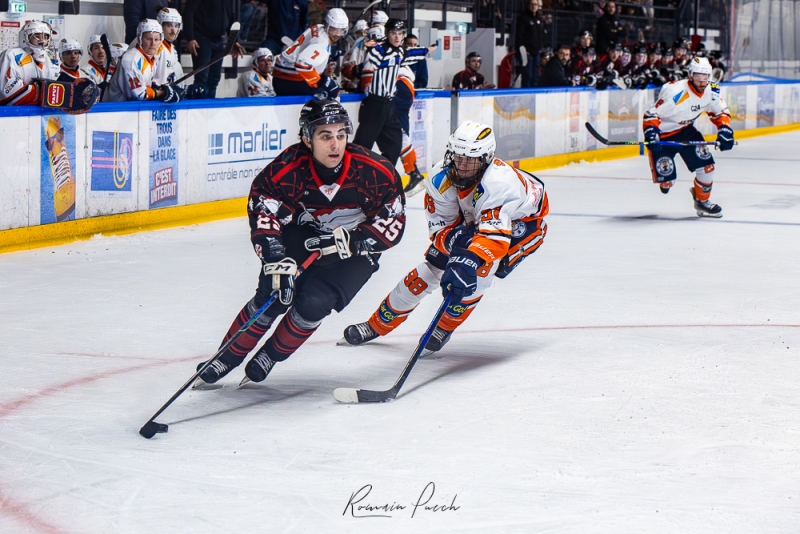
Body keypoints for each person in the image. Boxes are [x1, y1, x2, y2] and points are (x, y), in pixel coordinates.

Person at [193, 99, 406, 386]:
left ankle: (271, 354)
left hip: (354, 249)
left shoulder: (374, 171)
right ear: (307, 137)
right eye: (325, 136)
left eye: (341, 135)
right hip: (302, 238)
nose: (335, 144)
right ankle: (226, 357)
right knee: (274, 293)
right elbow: (264, 209)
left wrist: (358, 241)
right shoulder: (287, 170)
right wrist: (274, 255)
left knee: (314, 304)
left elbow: (393, 218)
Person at [341, 121, 549, 356]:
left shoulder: (499, 184)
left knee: (479, 274)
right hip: (473, 217)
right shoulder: (440, 177)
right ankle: (376, 325)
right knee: (428, 272)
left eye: (470, 160)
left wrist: (469, 260)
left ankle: (443, 327)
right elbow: (441, 229)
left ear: (486, 159)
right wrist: (456, 243)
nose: (461, 165)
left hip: (523, 223)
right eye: (457, 157)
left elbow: (495, 238)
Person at [642, 57, 733, 217]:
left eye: (705, 78)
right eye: (698, 77)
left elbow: (720, 112)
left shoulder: (711, 90)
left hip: (686, 130)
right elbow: (652, 114)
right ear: (690, 75)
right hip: (663, 136)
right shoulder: (676, 93)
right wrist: (651, 131)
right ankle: (665, 181)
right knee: (667, 182)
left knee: (707, 167)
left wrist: (724, 129)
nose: (702, 82)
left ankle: (702, 201)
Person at [353, 18, 436, 172]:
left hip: (389, 105)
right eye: (393, 33)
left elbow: (411, 54)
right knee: (362, 147)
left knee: (394, 145)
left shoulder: (400, 52)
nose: (397, 37)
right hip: (374, 104)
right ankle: (351, 177)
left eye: (400, 33)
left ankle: (380, 177)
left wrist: (426, 50)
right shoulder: (380, 50)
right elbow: (374, 58)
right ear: (387, 34)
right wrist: (368, 47)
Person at [272, 8, 348, 99]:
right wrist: (320, 82)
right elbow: (301, 63)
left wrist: (321, 71)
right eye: (334, 29)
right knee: (333, 91)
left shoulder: (319, 27)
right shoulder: (322, 43)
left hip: (281, 77)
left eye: (341, 30)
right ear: (327, 25)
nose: (337, 34)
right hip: (289, 80)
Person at [105, 19, 181, 103]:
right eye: (148, 39)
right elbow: (139, 95)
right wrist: (164, 92)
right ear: (139, 38)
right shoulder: (130, 59)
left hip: (129, 111)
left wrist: (160, 87)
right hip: (114, 111)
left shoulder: (151, 58)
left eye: (156, 39)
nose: (153, 43)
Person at [183, 0, 244, 99]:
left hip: (218, 38)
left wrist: (233, 40)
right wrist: (190, 38)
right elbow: (189, 12)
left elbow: (231, 16)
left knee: (214, 79)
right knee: (202, 79)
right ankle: (199, 109)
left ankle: (209, 108)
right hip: (201, 37)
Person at [0, 20, 60, 106]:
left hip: (42, 115)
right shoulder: (11, 55)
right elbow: (8, 92)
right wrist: (45, 91)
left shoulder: (50, 59)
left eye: (46, 37)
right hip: (12, 115)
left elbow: (59, 89)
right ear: (25, 38)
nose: (42, 41)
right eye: (37, 36)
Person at [515, 0, 546, 88]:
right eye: (532, 4)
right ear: (528, 5)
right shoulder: (523, 18)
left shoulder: (539, 19)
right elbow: (519, 36)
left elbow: (540, 36)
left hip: (536, 52)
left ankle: (534, 94)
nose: (534, 6)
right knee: (527, 75)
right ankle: (526, 95)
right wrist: (521, 50)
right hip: (527, 52)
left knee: (535, 76)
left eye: (535, 4)